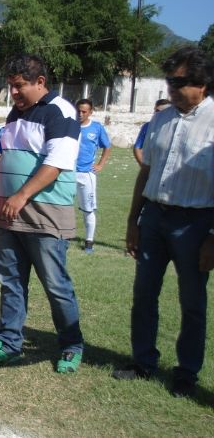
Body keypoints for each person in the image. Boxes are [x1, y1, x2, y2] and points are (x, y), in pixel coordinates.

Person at [112, 46, 214, 398]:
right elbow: (147, 171)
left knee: (192, 301)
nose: (171, 88)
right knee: (144, 294)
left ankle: (186, 372)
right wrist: (133, 221)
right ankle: (143, 361)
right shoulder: (161, 119)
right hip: (154, 217)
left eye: (180, 81)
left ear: (202, 83)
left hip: (196, 222)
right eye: (169, 80)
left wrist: (212, 237)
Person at [0, 54, 84, 374]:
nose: (14, 93)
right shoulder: (14, 113)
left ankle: (71, 345)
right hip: (10, 214)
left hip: (45, 215)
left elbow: (56, 163)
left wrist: (21, 195)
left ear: (40, 83)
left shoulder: (60, 110)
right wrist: (9, 200)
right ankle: (9, 344)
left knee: (55, 284)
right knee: (10, 282)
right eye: (11, 87)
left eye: (20, 86)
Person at [74, 99, 111, 254]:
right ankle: (61, 236)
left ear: (90, 112)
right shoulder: (70, 125)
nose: (81, 114)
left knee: (88, 209)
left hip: (86, 174)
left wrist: (100, 164)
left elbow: (107, 146)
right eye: (79, 111)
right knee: (62, 206)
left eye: (84, 111)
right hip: (67, 172)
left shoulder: (96, 128)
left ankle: (89, 241)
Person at [132, 99, 171, 165]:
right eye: (155, 110)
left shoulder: (174, 128)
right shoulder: (147, 126)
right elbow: (137, 148)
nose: (156, 113)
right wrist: (144, 167)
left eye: (159, 111)